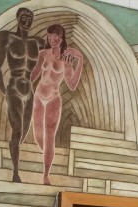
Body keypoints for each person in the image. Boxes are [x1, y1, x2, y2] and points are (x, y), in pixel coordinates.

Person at [0, 7, 45, 183]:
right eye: (24, 17)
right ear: (17, 18)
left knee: (23, 133)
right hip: (14, 87)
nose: (27, 21)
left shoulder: (37, 42)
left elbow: (55, 52)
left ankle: (14, 162)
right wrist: (4, 91)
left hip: (28, 89)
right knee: (17, 129)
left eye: (30, 18)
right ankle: (15, 172)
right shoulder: (6, 37)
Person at [30, 24, 84, 185]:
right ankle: (47, 154)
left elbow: (72, 85)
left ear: (61, 39)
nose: (52, 39)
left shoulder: (66, 60)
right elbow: (34, 74)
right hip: (38, 96)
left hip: (53, 98)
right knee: (39, 136)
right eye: (49, 36)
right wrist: (23, 84)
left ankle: (46, 174)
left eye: (56, 37)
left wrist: (80, 60)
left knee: (50, 138)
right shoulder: (43, 54)